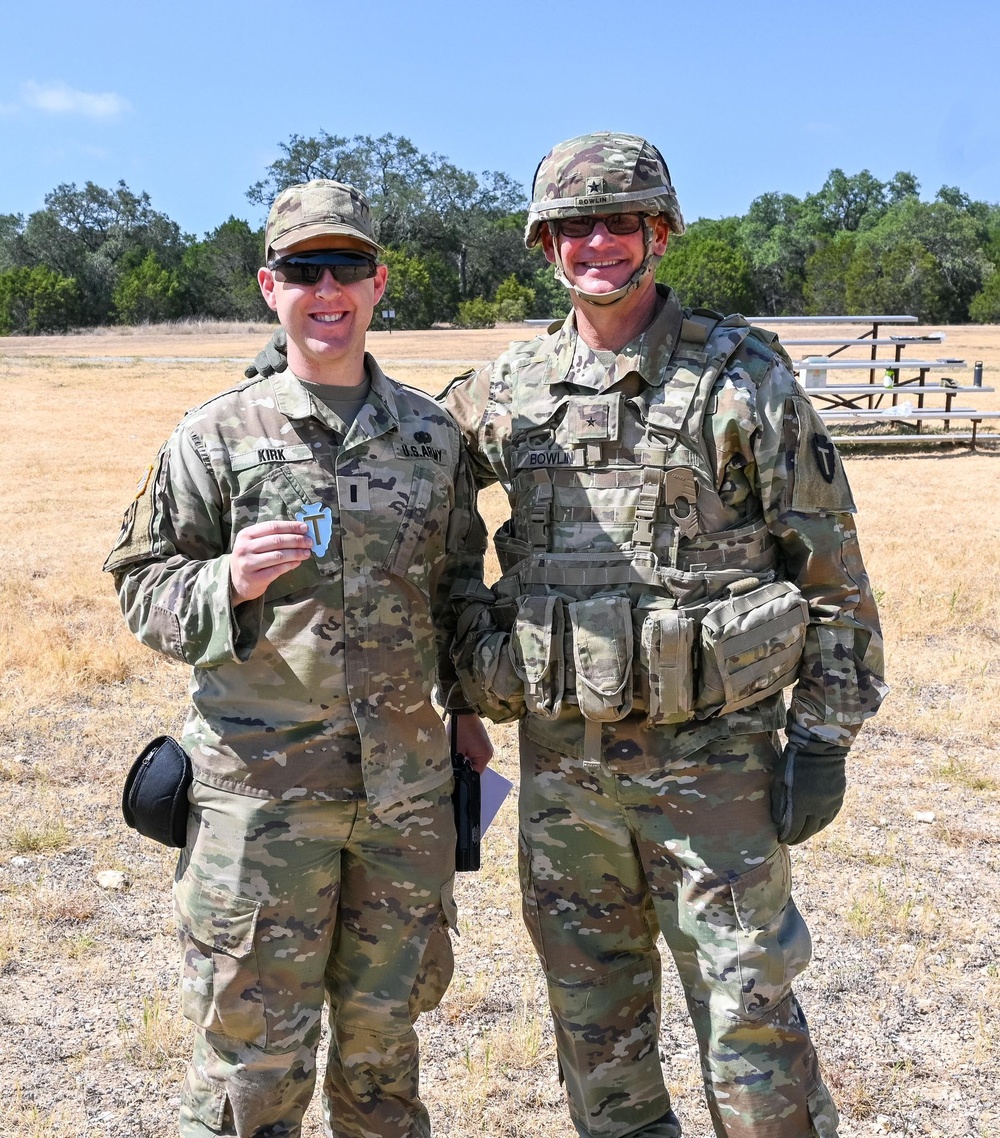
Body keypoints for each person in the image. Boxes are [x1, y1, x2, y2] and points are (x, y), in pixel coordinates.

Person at [438, 133, 887, 1138]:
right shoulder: (504, 390)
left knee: (751, 1028)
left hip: (713, 775)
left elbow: (830, 566)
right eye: (573, 225)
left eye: (621, 221)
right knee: (597, 1040)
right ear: (544, 242)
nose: (597, 242)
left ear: (661, 233)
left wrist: (822, 739)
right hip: (563, 780)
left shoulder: (744, 381)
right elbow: (415, 497)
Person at [105, 179, 491, 1138]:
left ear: (377, 283)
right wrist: (225, 584)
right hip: (260, 800)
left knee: (384, 1056)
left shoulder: (431, 436)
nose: (328, 290)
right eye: (305, 271)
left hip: (403, 801)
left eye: (347, 269)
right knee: (252, 1069)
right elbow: (139, 587)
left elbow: (458, 587)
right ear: (270, 287)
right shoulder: (216, 436)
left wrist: (471, 714)